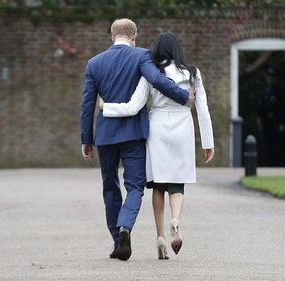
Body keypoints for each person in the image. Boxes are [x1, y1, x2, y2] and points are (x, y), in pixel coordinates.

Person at [80, 19, 194, 261]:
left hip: (106, 135)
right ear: (134, 36)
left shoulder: (94, 63)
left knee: (110, 186)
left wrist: (86, 140)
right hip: (134, 134)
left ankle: (116, 240)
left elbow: (87, 105)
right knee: (134, 186)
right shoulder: (142, 56)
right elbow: (158, 81)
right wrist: (184, 96)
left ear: (112, 37)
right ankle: (125, 227)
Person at [101, 32, 214, 259]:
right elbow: (203, 110)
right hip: (183, 124)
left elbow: (133, 107)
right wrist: (208, 143)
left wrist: (106, 107)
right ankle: (176, 220)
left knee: (157, 183)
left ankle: (160, 236)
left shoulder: (151, 73)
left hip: (158, 126)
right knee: (177, 180)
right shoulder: (192, 72)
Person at [257, 67, 285, 167]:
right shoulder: (265, 90)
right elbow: (261, 106)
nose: (270, 78)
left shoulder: (280, 90)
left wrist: (283, 123)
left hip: (277, 121)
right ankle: (268, 164)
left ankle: (278, 166)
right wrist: (260, 119)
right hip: (267, 121)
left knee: (278, 145)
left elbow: (284, 107)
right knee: (267, 144)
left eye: (272, 76)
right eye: (268, 76)